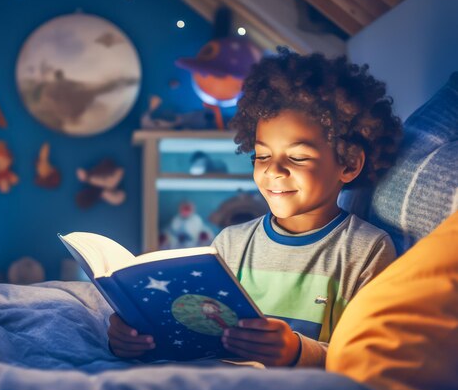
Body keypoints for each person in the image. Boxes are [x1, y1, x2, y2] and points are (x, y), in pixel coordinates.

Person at [108, 47, 403, 368]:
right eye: (262, 155)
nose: (273, 171)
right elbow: (196, 334)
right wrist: (135, 339)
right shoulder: (230, 244)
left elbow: (366, 357)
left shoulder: (366, 250)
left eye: (298, 157)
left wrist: (296, 352)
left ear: (348, 164)